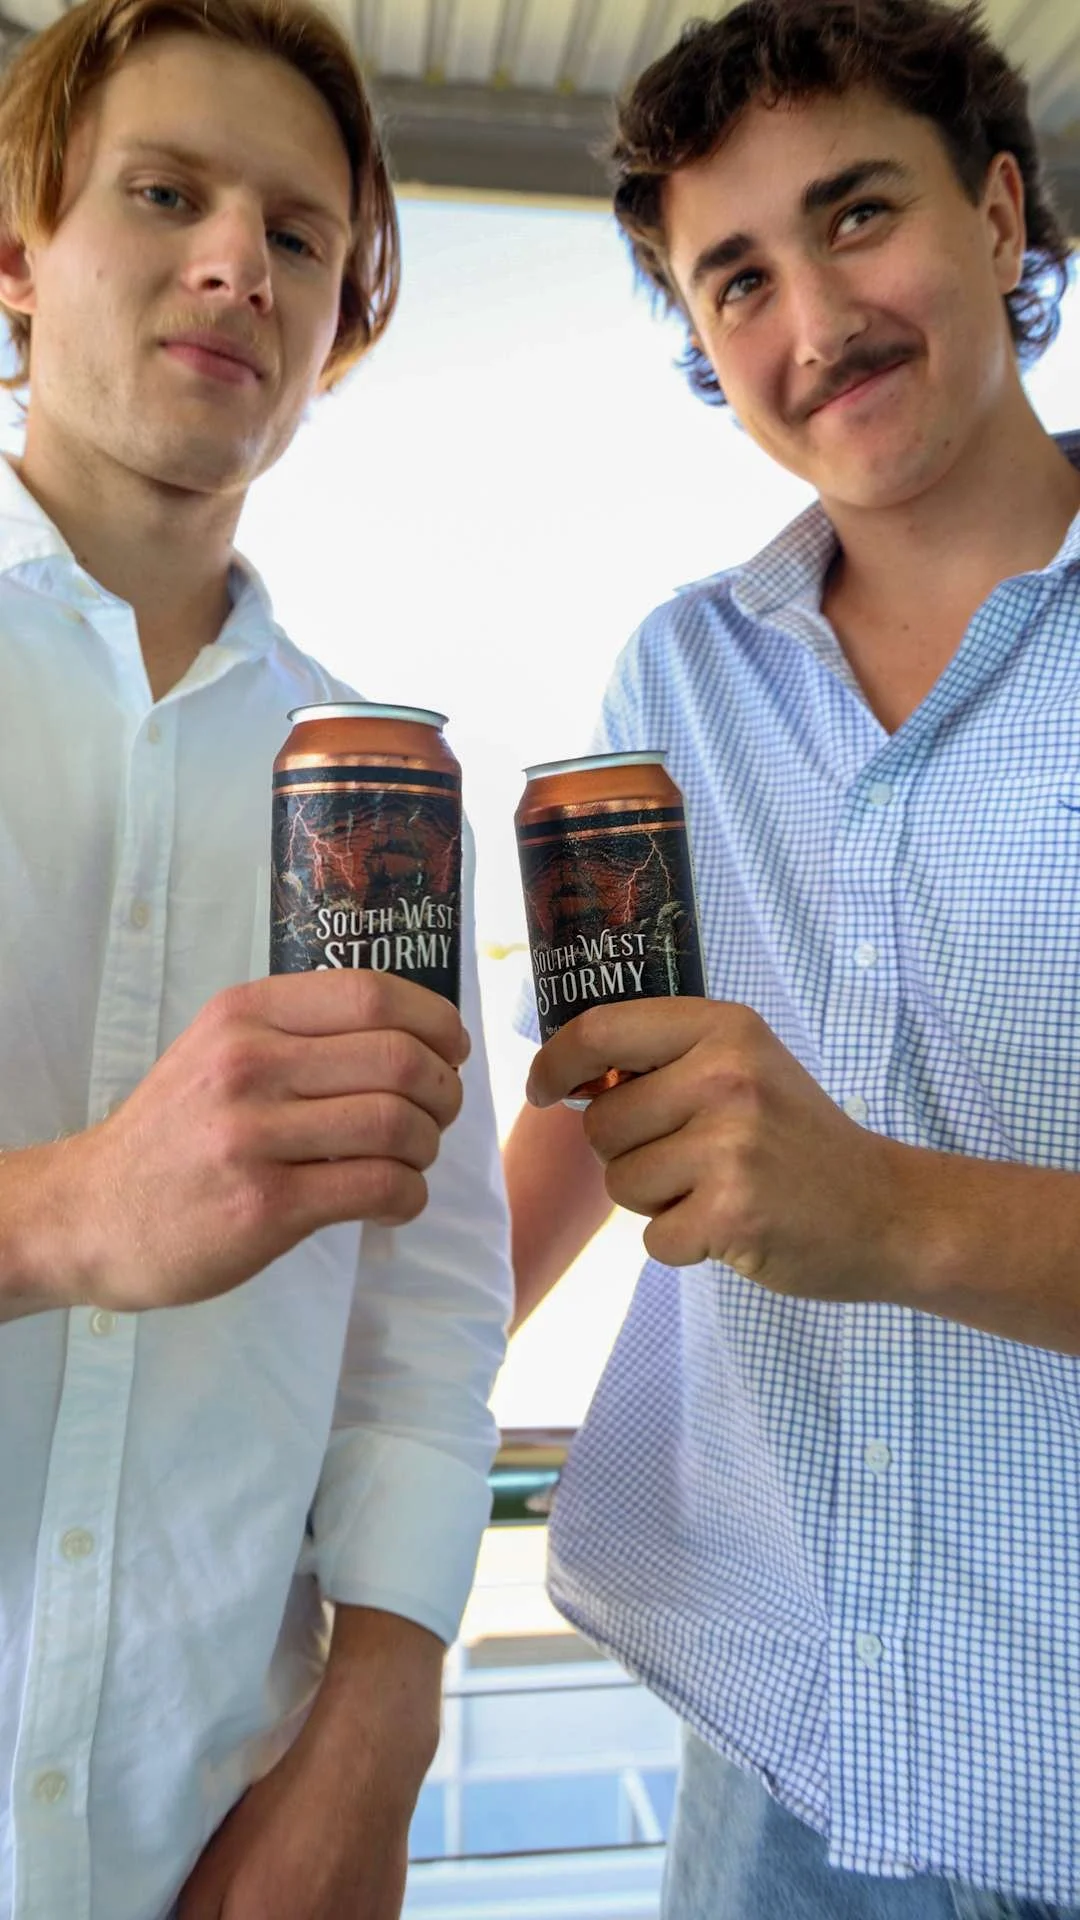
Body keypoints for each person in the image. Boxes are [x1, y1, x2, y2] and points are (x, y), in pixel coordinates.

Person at [504, 1, 1080, 1914]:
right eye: (734, 276)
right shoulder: (670, 680)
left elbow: (835, 1197)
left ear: (1002, 216)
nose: (812, 320)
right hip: (782, 1757)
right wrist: (337, 1417)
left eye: (857, 216)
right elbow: (600, 1104)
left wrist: (889, 1210)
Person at [0, 2, 511, 1917]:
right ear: (20, 250)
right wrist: (57, 1216)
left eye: (300, 235)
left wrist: (371, 1752)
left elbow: (429, 1317)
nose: (239, 258)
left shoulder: (385, 790)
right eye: (165, 191)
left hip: (216, 1833)